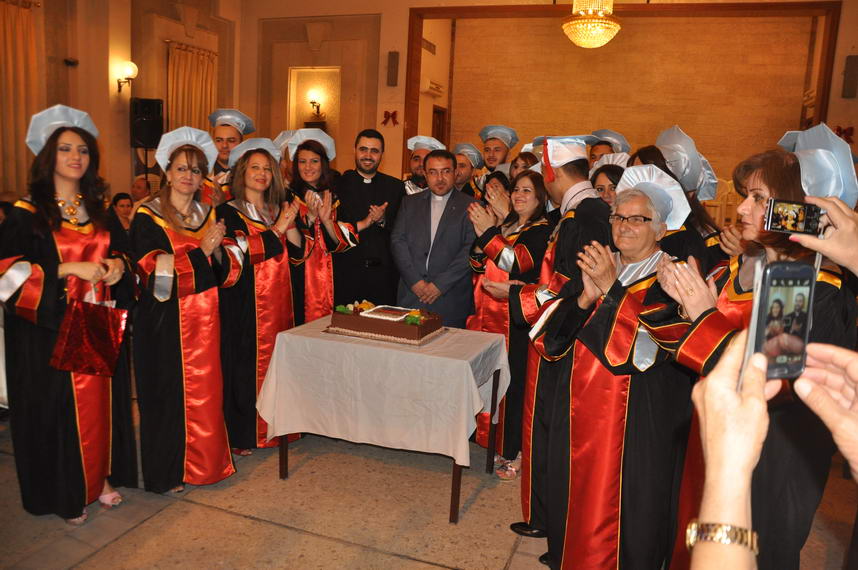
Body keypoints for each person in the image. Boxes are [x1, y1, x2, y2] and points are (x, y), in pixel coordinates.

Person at [654, 130, 858, 569]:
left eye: (759, 198)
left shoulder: (809, 283)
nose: (742, 209)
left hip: (777, 456)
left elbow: (771, 385)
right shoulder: (771, 270)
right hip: (741, 438)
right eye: (746, 196)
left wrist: (703, 316)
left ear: (797, 209)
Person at [529, 164, 695, 568]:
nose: (624, 226)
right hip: (577, 414)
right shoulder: (602, 264)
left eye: (637, 219)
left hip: (635, 424)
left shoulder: (673, 278)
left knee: (626, 515)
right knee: (574, 498)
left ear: (661, 229)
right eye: (618, 217)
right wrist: (584, 299)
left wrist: (610, 290)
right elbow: (548, 339)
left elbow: (645, 353)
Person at [0, 104, 136, 524]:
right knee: (59, 410)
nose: (76, 156)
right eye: (65, 149)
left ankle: (99, 478)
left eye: (83, 149)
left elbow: (122, 253)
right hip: (48, 328)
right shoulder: (27, 214)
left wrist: (118, 267)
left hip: (95, 317)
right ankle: (68, 491)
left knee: (99, 403)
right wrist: (66, 268)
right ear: (47, 156)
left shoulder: (97, 208)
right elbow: (7, 273)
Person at [505, 135, 612, 545]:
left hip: (567, 336)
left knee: (553, 427)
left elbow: (571, 286)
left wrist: (518, 299)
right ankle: (546, 516)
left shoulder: (583, 217)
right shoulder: (582, 213)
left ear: (551, 173)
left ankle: (552, 521)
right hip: (563, 329)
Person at [131, 126, 243, 494]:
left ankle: (202, 465)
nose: (188, 176)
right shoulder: (148, 216)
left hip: (205, 321)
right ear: (167, 172)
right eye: (181, 168)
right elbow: (153, 272)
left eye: (195, 170)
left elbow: (229, 271)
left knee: (205, 395)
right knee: (166, 397)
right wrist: (201, 251)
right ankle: (166, 473)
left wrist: (217, 251)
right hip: (164, 322)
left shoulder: (209, 214)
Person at [217, 138, 303, 456]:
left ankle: (277, 427)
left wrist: (289, 223)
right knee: (243, 367)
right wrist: (278, 229)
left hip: (281, 302)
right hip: (245, 303)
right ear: (242, 172)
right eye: (255, 167)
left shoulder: (276, 209)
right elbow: (235, 256)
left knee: (279, 365)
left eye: (267, 168)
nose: (262, 174)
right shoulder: (227, 213)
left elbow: (297, 253)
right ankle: (243, 434)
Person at [466, 170, 552, 479]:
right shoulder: (509, 225)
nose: (518, 195)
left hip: (518, 318)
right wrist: (485, 237)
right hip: (488, 312)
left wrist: (490, 232)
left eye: (527, 190)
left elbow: (516, 263)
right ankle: (493, 439)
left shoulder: (541, 230)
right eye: (516, 189)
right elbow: (477, 264)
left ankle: (516, 449)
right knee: (491, 380)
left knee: (515, 385)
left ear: (541, 197)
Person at [391, 149, 476, 327]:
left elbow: (469, 250)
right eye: (433, 172)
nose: (440, 178)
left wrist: (439, 285)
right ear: (425, 174)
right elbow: (398, 242)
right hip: (412, 294)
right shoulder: (409, 203)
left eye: (446, 171)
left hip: (450, 298)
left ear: (455, 173)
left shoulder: (472, 206)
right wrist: (415, 281)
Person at [287, 129, 357, 324]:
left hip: (335, 275)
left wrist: (327, 221)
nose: (308, 167)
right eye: (302, 161)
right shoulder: (287, 196)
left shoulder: (336, 196)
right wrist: (309, 217)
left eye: (314, 161)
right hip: (299, 276)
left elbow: (348, 241)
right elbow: (289, 244)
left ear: (323, 164)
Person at [333, 129, 404, 306]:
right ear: (355, 150)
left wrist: (383, 220)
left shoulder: (396, 187)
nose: (368, 156)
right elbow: (333, 227)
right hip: (346, 275)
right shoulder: (338, 184)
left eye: (374, 151)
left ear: (382, 155)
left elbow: (403, 230)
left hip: (383, 278)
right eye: (363, 149)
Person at [202, 108, 255, 205]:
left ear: (241, 144)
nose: (224, 145)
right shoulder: (202, 174)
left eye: (231, 140)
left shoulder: (252, 175)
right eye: (219, 140)